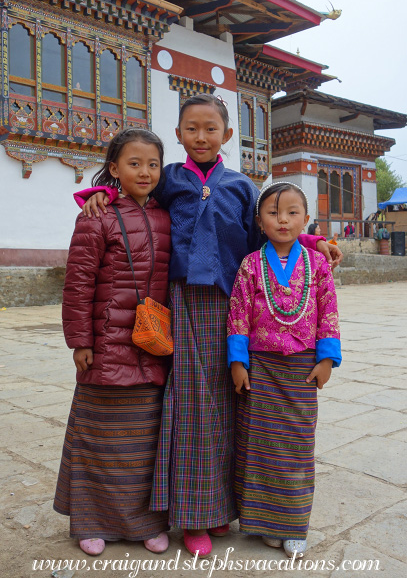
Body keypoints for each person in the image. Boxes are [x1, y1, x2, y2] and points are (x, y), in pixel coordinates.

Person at [78, 94, 342, 558]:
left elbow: (269, 230)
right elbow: (130, 195)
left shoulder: (240, 185)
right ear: (178, 134)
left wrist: (314, 240)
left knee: (230, 406)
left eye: (211, 129)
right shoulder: (168, 180)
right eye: (192, 129)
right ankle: (195, 515)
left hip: (234, 304)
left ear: (227, 135)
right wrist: (97, 192)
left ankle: (225, 509)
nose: (201, 137)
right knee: (193, 407)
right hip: (181, 304)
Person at [54, 128, 171, 556]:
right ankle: (92, 522)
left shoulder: (168, 213)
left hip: (151, 345)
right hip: (105, 346)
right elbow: (78, 282)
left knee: (143, 444)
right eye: (134, 163)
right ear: (115, 168)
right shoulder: (95, 216)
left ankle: (144, 524)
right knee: (98, 441)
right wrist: (79, 340)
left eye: (153, 164)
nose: (144, 171)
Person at [227, 182, 341, 558]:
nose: (283, 220)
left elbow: (329, 312)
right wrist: (238, 362)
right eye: (273, 213)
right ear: (259, 221)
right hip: (261, 368)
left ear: (306, 220)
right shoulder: (250, 265)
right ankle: (263, 524)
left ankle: (293, 525)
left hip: (302, 369)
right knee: (260, 446)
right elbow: (239, 315)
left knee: (296, 447)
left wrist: (326, 358)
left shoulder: (319, 264)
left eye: (293, 213)